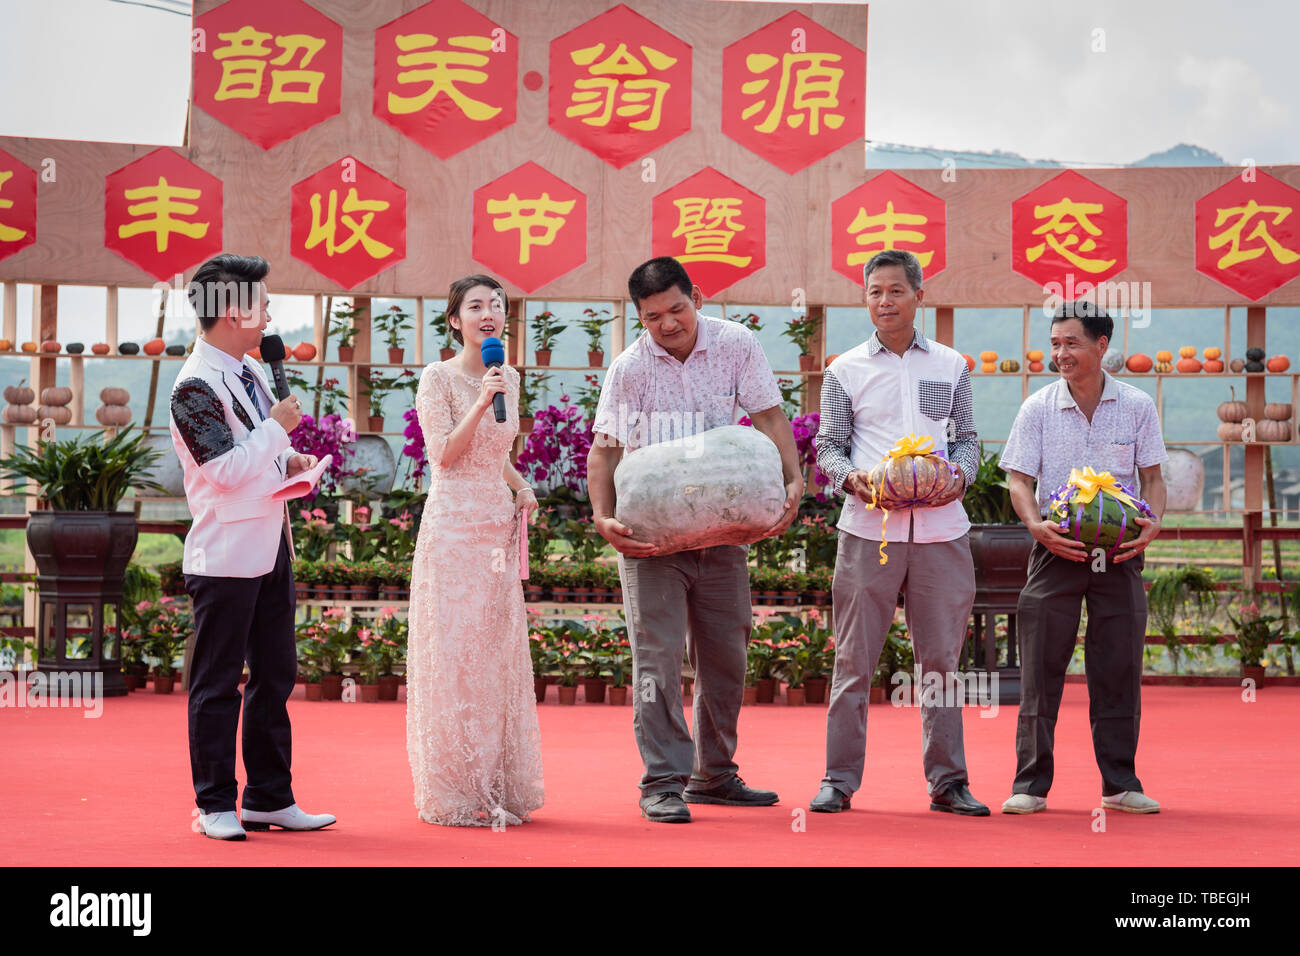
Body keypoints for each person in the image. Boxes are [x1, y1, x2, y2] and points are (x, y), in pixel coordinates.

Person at [587, 256, 803, 824]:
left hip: (725, 529)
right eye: (653, 316)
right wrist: (603, 517)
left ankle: (715, 775)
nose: (668, 324)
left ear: (697, 298)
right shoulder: (629, 369)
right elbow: (605, 451)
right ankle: (662, 781)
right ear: (640, 317)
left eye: (677, 309)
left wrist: (792, 479)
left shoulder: (737, 344)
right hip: (653, 540)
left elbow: (770, 418)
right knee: (657, 663)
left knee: (727, 657)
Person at [810, 249, 988, 817]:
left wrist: (959, 475)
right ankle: (838, 780)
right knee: (854, 660)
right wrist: (851, 479)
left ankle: (948, 782)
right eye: (873, 292)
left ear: (918, 296)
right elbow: (829, 447)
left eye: (894, 291)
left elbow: (967, 438)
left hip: (942, 530)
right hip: (869, 530)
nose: (883, 302)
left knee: (942, 662)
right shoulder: (844, 370)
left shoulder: (952, 365)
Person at [169, 253, 335, 841]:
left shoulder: (249, 372)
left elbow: (258, 456)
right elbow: (222, 470)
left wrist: (290, 460)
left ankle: (270, 796)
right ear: (234, 311)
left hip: (273, 544)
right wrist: (277, 430)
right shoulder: (192, 386)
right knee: (217, 683)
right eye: (263, 303)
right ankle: (213, 803)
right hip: (226, 554)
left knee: (275, 675)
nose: (269, 313)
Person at [998, 300, 1166, 815]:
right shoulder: (1038, 407)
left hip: (1119, 557)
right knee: (1041, 671)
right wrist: (1035, 527)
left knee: (1117, 667)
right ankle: (1030, 785)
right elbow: (1019, 480)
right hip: (1056, 550)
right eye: (1055, 344)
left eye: (1071, 343)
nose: (1061, 353)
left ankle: (1120, 784)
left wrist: (1152, 525)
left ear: (1101, 346)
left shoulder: (1137, 405)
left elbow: (1154, 479)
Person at [406, 273, 544, 827]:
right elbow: (444, 454)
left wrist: (520, 484)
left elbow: (494, 451)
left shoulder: (507, 372)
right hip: (452, 528)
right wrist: (483, 399)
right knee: (455, 653)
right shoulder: (436, 378)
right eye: (476, 305)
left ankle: (497, 782)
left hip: (495, 527)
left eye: (496, 305)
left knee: (493, 653)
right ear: (454, 319)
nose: (489, 313)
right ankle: (457, 788)